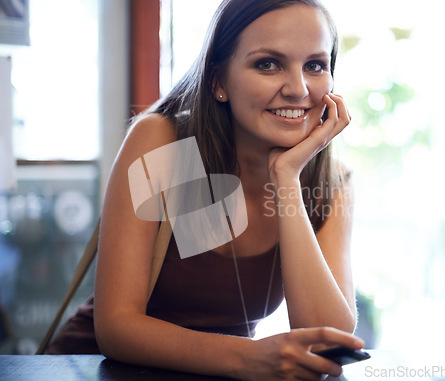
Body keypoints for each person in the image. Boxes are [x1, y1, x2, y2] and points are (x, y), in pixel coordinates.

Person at [47, 0, 364, 379]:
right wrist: (248, 358)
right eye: (268, 63)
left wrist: (287, 179)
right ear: (218, 82)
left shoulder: (329, 182)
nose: (298, 89)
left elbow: (328, 342)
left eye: (314, 65)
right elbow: (116, 326)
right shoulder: (167, 145)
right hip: (96, 370)